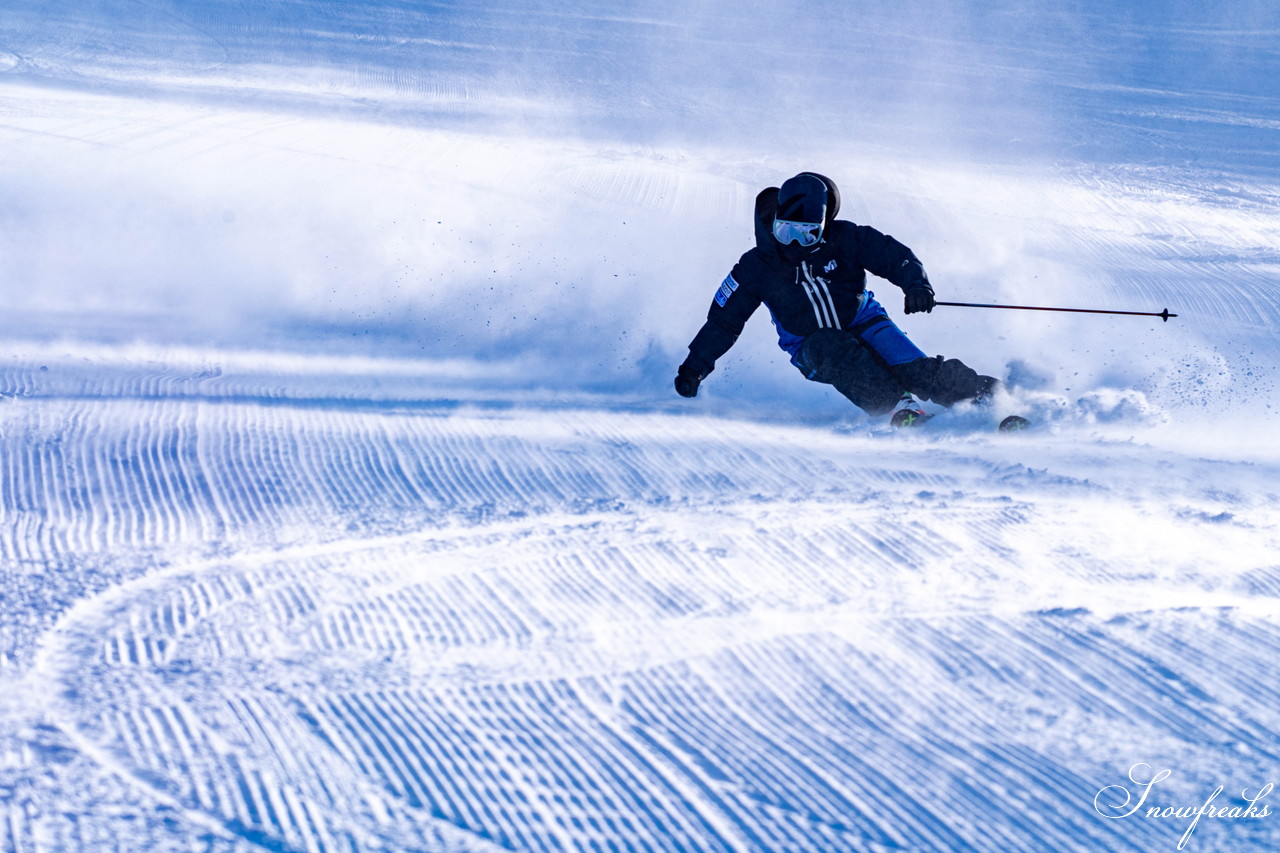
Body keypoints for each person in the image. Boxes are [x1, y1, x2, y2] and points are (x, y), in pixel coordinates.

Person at [674, 172, 997, 418]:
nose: (795, 245)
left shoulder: (848, 238)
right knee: (834, 348)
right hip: (809, 344)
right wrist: (695, 367)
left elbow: (894, 256)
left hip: (864, 320)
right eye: (786, 232)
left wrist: (916, 286)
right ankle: (898, 409)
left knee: (914, 369)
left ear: (825, 226)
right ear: (775, 224)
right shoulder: (756, 266)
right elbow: (723, 322)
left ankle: (991, 398)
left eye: (807, 234)